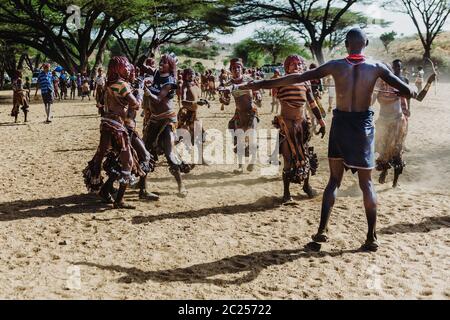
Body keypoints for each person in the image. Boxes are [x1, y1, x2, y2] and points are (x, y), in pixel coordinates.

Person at [240, 28, 426, 252]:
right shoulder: (377, 67)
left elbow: (297, 78)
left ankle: (321, 232)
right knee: (367, 184)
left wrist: (255, 85)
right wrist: (413, 90)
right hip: (362, 128)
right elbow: (405, 90)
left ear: (346, 44)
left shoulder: (336, 65)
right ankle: (371, 237)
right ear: (365, 43)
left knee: (334, 181)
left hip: (340, 126)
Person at [83, 56, 144, 209]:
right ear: (120, 68)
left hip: (105, 123)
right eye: (126, 67)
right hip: (117, 126)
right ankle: (119, 200)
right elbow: (135, 105)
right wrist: (140, 94)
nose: (129, 69)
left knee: (102, 154)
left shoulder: (107, 84)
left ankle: (104, 189)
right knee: (128, 162)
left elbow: (101, 105)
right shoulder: (122, 84)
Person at [273, 55, 326, 202]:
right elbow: (265, 85)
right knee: (288, 160)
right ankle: (286, 193)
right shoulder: (281, 82)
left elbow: (313, 103)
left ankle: (307, 186)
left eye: (299, 64)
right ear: (287, 67)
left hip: (302, 126)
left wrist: (321, 121)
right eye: (292, 64)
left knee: (305, 156)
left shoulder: (306, 83)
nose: (296, 66)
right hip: (286, 126)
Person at [375, 60, 434, 188]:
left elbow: (418, 97)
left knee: (396, 152)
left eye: (398, 68)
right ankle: (384, 171)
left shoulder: (403, 82)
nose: (396, 70)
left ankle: (395, 182)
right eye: (393, 67)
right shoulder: (380, 83)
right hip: (383, 121)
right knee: (383, 150)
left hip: (399, 120)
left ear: (401, 69)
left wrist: (429, 82)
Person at [142, 53, 191, 197]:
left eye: (164, 62)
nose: (161, 64)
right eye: (161, 61)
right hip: (153, 120)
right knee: (145, 152)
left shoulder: (170, 81)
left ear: (170, 66)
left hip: (167, 121)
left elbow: (157, 99)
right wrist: (146, 55)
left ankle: (181, 186)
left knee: (169, 154)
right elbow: (142, 66)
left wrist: (146, 92)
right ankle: (143, 187)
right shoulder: (156, 73)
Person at [219, 58, 259, 174]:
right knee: (240, 140)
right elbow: (226, 101)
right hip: (239, 114)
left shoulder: (249, 80)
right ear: (230, 70)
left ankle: (253, 161)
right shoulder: (229, 84)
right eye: (234, 68)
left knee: (252, 138)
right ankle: (240, 166)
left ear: (242, 68)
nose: (236, 69)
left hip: (251, 113)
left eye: (238, 67)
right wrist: (222, 99)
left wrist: (258, 96)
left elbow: (257, 93)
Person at [177, 68, 210, 166]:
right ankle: (175, 155)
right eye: (189, 74)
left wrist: (204, 100)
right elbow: (183, 101)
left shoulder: (194, 85)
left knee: (199, 135)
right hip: (186, 115)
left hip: (194, 114)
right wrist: (196, 102)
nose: (191, 76)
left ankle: (200, 158)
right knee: (181, 137)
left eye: (192, 74)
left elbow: (197, 98)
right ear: (185, 75)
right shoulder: (184, 86)